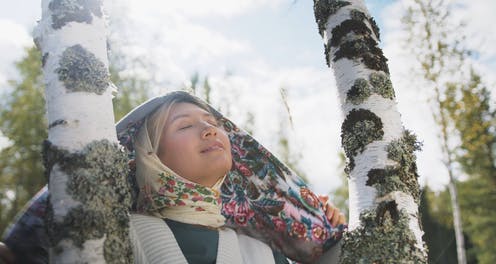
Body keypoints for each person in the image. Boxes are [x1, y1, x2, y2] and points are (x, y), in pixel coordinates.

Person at [1, 91, 346, 263]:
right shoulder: (107, 232)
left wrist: (331, 239)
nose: (210, 130)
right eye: (185, 125)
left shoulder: (262, 252)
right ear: (149, 153)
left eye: (214, 123)